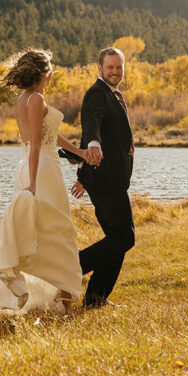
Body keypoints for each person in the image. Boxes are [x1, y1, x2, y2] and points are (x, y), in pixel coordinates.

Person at [0, 50, 92, 320]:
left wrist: (80, 152)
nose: (52, 75)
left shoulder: (24, 99)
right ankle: (62, 296)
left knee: (27, 238)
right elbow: (38, 144)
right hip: (41, 171)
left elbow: (49, 135)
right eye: (51, 70)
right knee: (59, 234)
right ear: (44, 73)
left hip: (31, 168)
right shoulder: (36, 98)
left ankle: (60, 297)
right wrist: (33, 184)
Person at [69, 46, 135, 308]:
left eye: (119, 67)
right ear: (100, 69)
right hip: (105, 181)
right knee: (124, 238)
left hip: (114, 180)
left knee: (117, 240)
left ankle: (96, 298)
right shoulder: (96, 94)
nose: (115, 71)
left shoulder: (114, 95)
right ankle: (72, 268)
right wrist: (94, 144)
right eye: (110, 67)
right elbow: (91, 124)